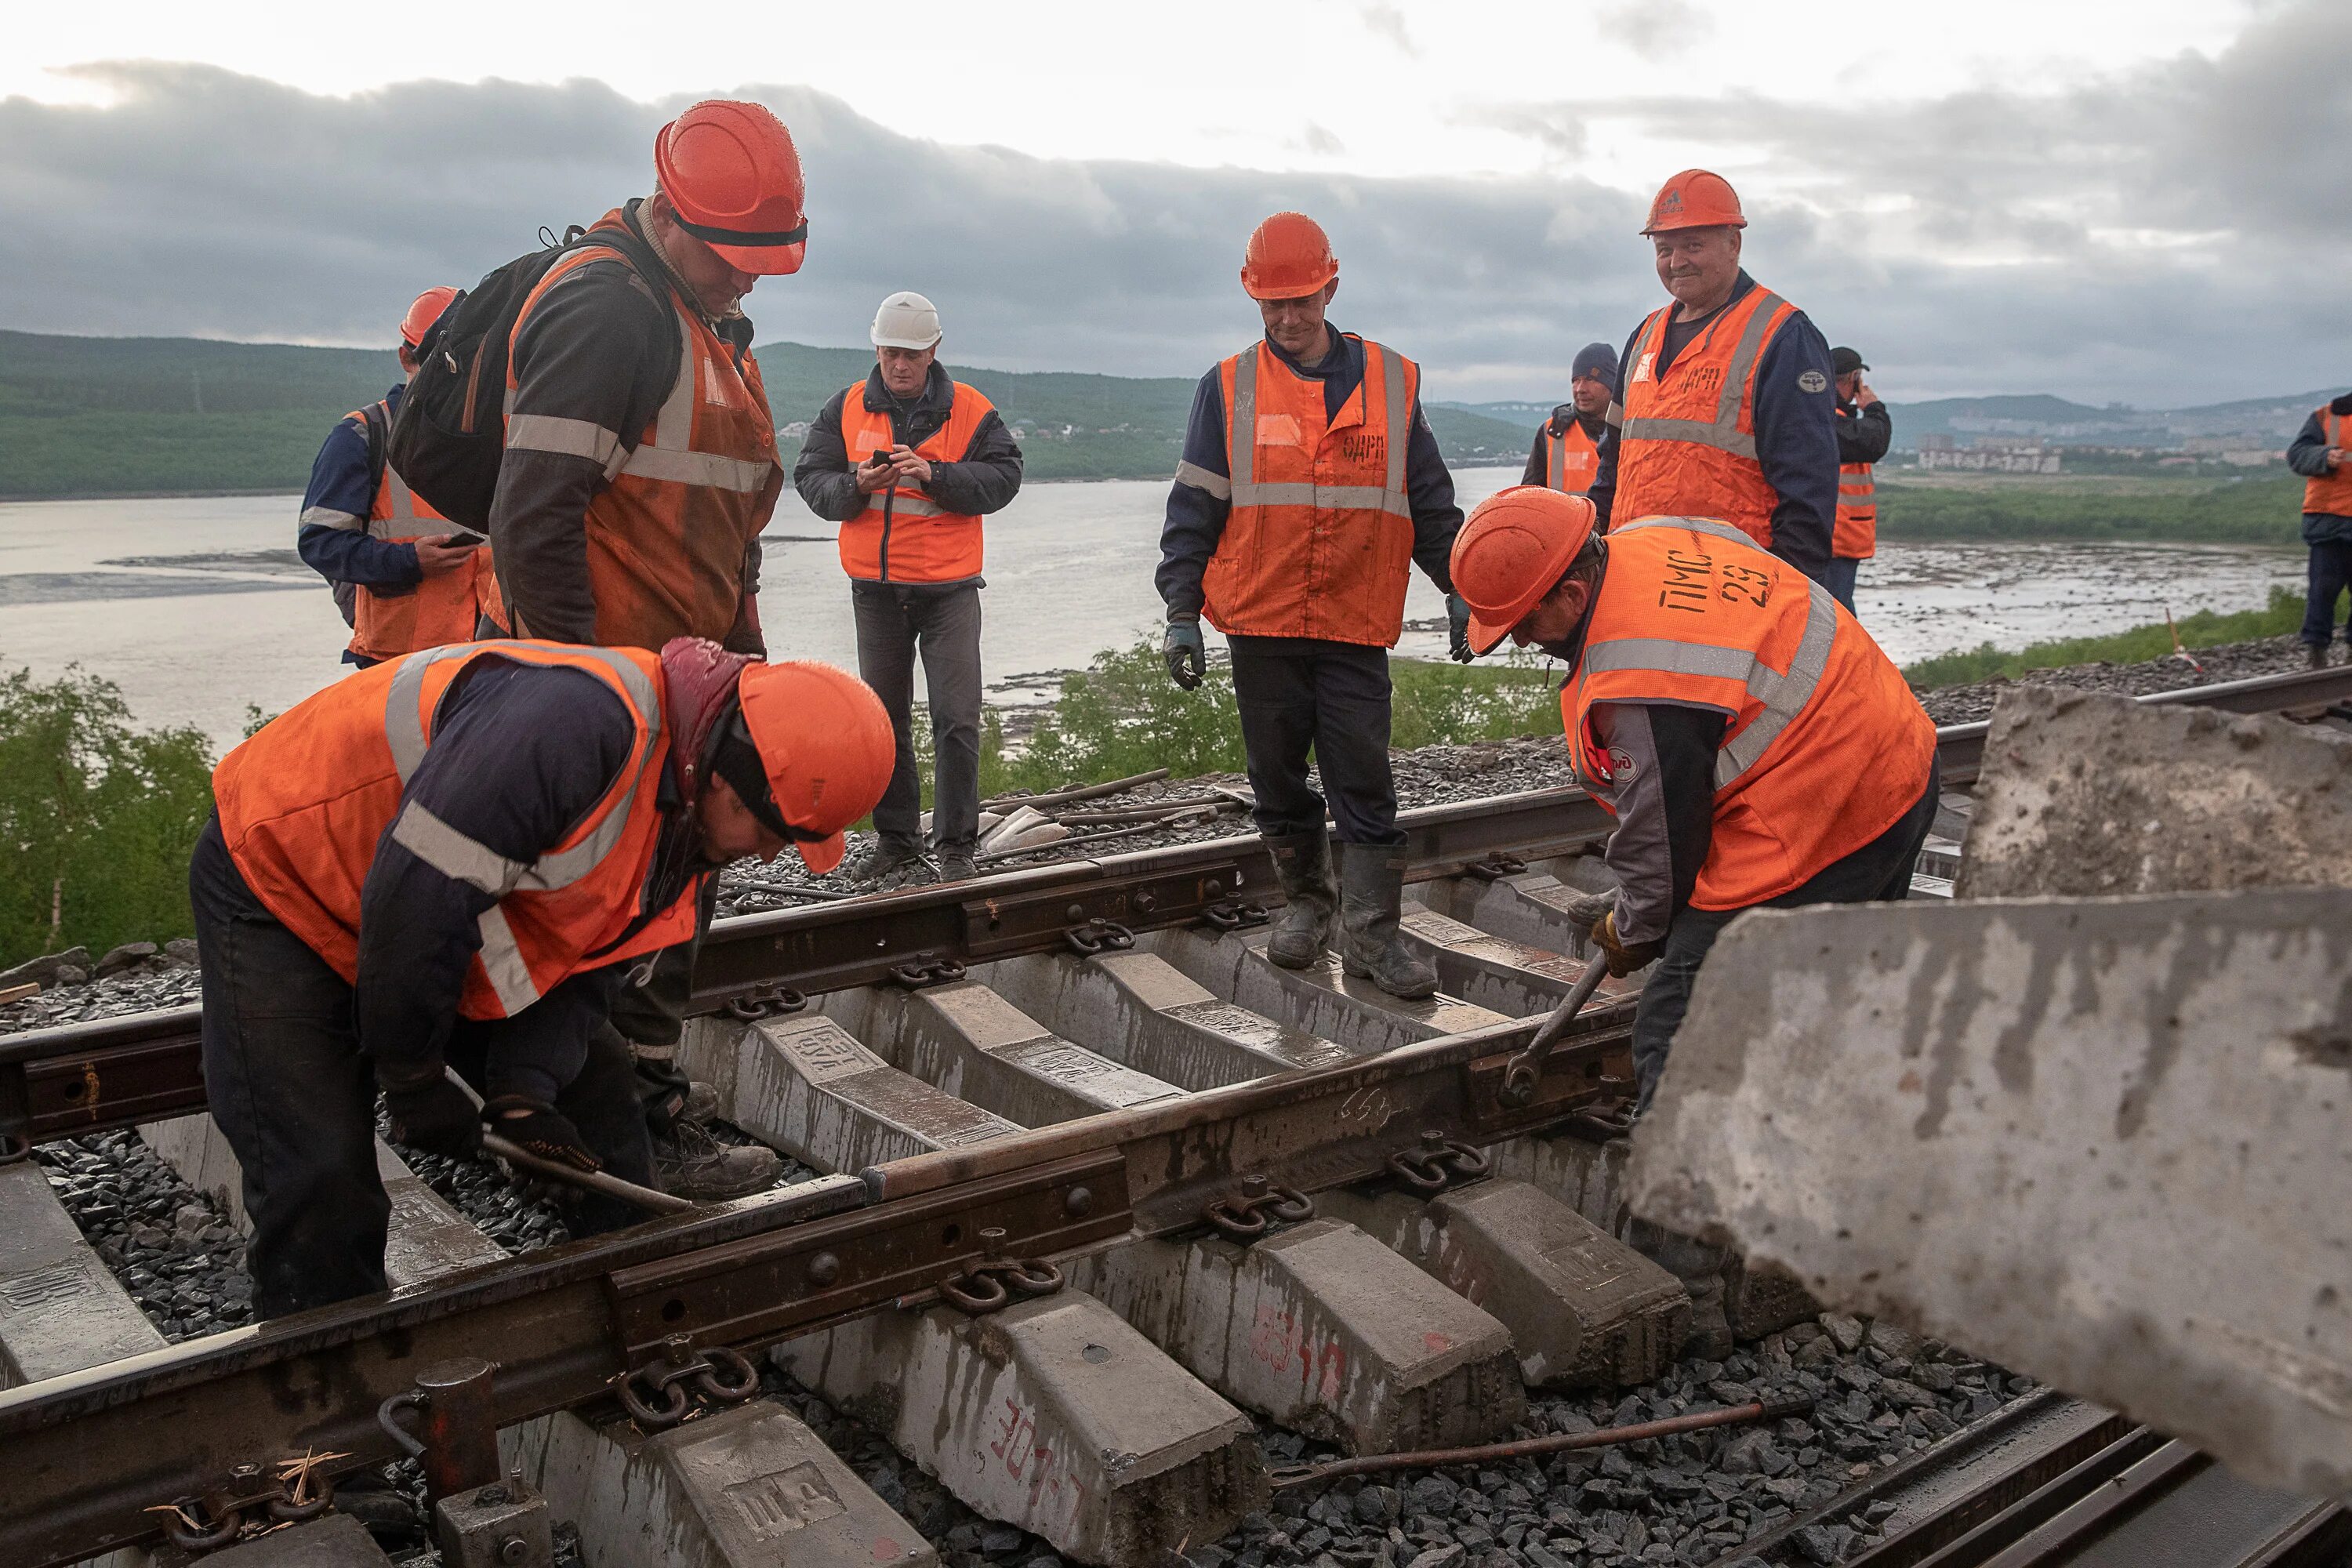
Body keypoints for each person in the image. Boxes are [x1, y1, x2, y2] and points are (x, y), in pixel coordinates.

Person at [191, 640, 893, 1316]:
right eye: (772, 829)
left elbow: (587, 965)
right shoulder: (567, 730)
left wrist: (525, 1092)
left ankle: (636, 1327)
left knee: (601, 1108)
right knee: (320, 1178)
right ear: (722, 775)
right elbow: (416, 905)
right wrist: (412, 1079)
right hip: (282, 872)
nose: (770, 855)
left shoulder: (686, 830)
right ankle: (324, 1411)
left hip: (426, 907)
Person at [488, 99, 810, 1193]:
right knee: (604, 915)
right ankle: (608, 1141)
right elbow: (531, 520)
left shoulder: (704, 326)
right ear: (673, 219)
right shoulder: (607, 312)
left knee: (668, 904)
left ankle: (622, 1114)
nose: (752, 279)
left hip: (681, 685)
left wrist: (744, 668)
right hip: (611, 688)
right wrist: (576, 689)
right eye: (737, 257)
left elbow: (727, 525)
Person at [1449, 485, 1937, 1111]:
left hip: (1826, 814)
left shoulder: (1639, 677)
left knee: (1675, 1032)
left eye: (1525, 624)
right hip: (1899, 759)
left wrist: (1637, 927)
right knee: (1839, 987)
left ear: (1572, 594)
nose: (1520, 642)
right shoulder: (1657, 537)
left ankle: (1688, 1199)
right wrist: (1649, 903)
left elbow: (1665, 838)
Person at [1157, 212, 1470, 997]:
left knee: (1364, 780)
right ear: (1253, 298)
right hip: (1261, 620)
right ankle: (1305, 903)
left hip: (1353, 620)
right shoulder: (1227, 386)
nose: (1288, 318)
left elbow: (1429, 504)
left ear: (1330, 286)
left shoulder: (1394, 384)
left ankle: (1372, 939)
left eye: (1301, 300)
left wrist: (1464, 589)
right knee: (1276, 778)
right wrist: (1180, 610)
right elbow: (1194, 507)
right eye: (1273, 305)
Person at [794, 292, 1025, 883]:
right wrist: (857, 486)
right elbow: (812, 481)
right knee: (883, 721)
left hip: (949, 591)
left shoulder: (972, 410)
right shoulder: (844, 408)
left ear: (933, 352)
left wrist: (936, 475)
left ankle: (955, 848)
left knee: (957, 718)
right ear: (877, 348)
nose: (901, 364)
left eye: (913, 355)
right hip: (875, 592)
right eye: (892, 353)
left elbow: (1005, 478)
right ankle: (897, 840)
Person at [1587, 171, 1840, 587]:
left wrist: (1787, 602)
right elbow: (1612, 470)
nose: (1676, 262)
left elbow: (1807, 497)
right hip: (1634, 580)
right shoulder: (1643, 338)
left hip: (1731, 590)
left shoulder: (1783, 337)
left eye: (1693, 245)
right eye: (1664, 249)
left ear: (1733, 244)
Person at [298, 285, 496, 665]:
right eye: (443, 366)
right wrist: (409, 561)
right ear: (407, 358)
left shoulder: (496, 438)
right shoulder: (362, 435)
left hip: (490, 657)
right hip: (399, 663)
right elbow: (320, 544)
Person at [2285, 392, 2352, 668]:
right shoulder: (2327, 416)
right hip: (2330, 519)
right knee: (2323, 589)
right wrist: (2325, 456)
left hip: (2331, 518)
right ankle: (2316, 654)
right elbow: (2297, 455)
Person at [1828, 347, 1892, 612]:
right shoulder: (1830, 422)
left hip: (1837, 538)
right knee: (1837, 616)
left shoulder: (1835, 420)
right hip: (1836, 540)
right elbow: (1874, 442)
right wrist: (1874, 408)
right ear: (1853, 378)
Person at [1520, 343, 1617, 495]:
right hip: (1565, 519)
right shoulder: (1551, 433)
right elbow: (1528, 499)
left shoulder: (1631, 433)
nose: (1580, 389)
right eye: (1576, 380)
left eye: (1590, 379)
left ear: (1612, 384)